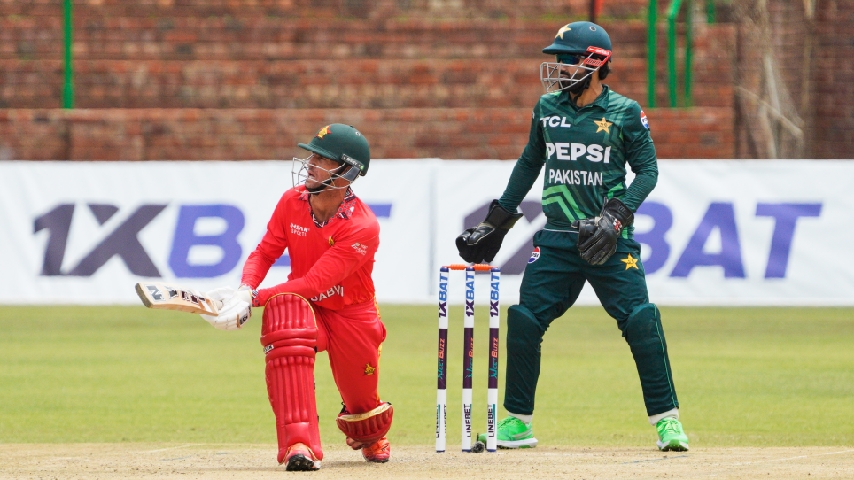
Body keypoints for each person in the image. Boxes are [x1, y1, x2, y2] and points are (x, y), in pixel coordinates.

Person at [459, 21, 689, 452]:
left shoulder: (624, 112)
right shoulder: (547, 109)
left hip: (609, 240)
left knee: (641, 320)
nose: (559, 68)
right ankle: (518, 422)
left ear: (595, 62)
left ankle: (667, 421)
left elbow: (649, 171)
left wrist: (616, 216)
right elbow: (530, 163)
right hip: (558, 240)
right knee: (525, 319)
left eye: (566, 60)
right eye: (558, 61)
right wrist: (499, 219)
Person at [200, 124, 393, 471]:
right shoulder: (292, 202)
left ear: (347, 171)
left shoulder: (362, 226)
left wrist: (254, 298)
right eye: (312, 156)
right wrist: (246, 288)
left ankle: (370, 434)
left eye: (322, 159)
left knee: (364, 413)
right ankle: (298, 444)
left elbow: (317, 281)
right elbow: (264, 252)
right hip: (306, 308)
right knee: (285, 320)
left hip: (351, 312)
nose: (310, 164)